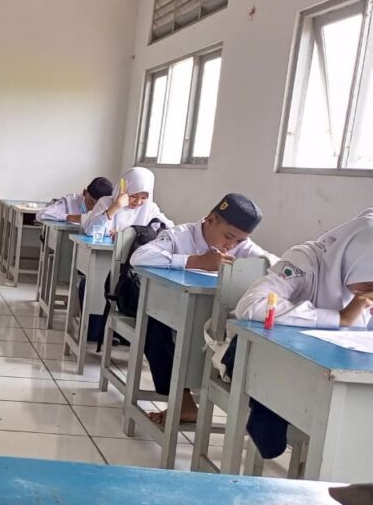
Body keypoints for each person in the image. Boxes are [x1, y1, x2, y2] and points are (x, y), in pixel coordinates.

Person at [229, 209, 373, 458]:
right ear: (354, 260)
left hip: (334, 371)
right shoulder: (305, 261)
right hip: (272, 359)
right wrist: (338, 318)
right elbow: (251, 306)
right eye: (369, 283)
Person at [131, 194, 272, 425]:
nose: (231, 246)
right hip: (173, 315)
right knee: (153, 325)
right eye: (228, 237)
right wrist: (195, 261)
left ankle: (253, 415)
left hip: (215, 322)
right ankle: (182, 400)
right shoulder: (179, 236)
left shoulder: (243, 247)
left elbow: (273, 265)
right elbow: (140, 257)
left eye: (239, 241)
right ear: (211, 219)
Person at [82, 166, 172, 236]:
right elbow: (91, 231)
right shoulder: (106, 202)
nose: (138, 202)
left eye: (143, 198)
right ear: (124, 189)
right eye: (133, 196)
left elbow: (170, 229)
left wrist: (127, 235)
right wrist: (115, 207)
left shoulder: (150, 208)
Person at [38, 177, 113, 223]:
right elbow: (41, 214)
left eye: (99, 205)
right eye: (91, 202)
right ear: (84, 193)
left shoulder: (109, 206)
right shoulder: (69, 202)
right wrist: (69, 217)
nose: (94, 208)